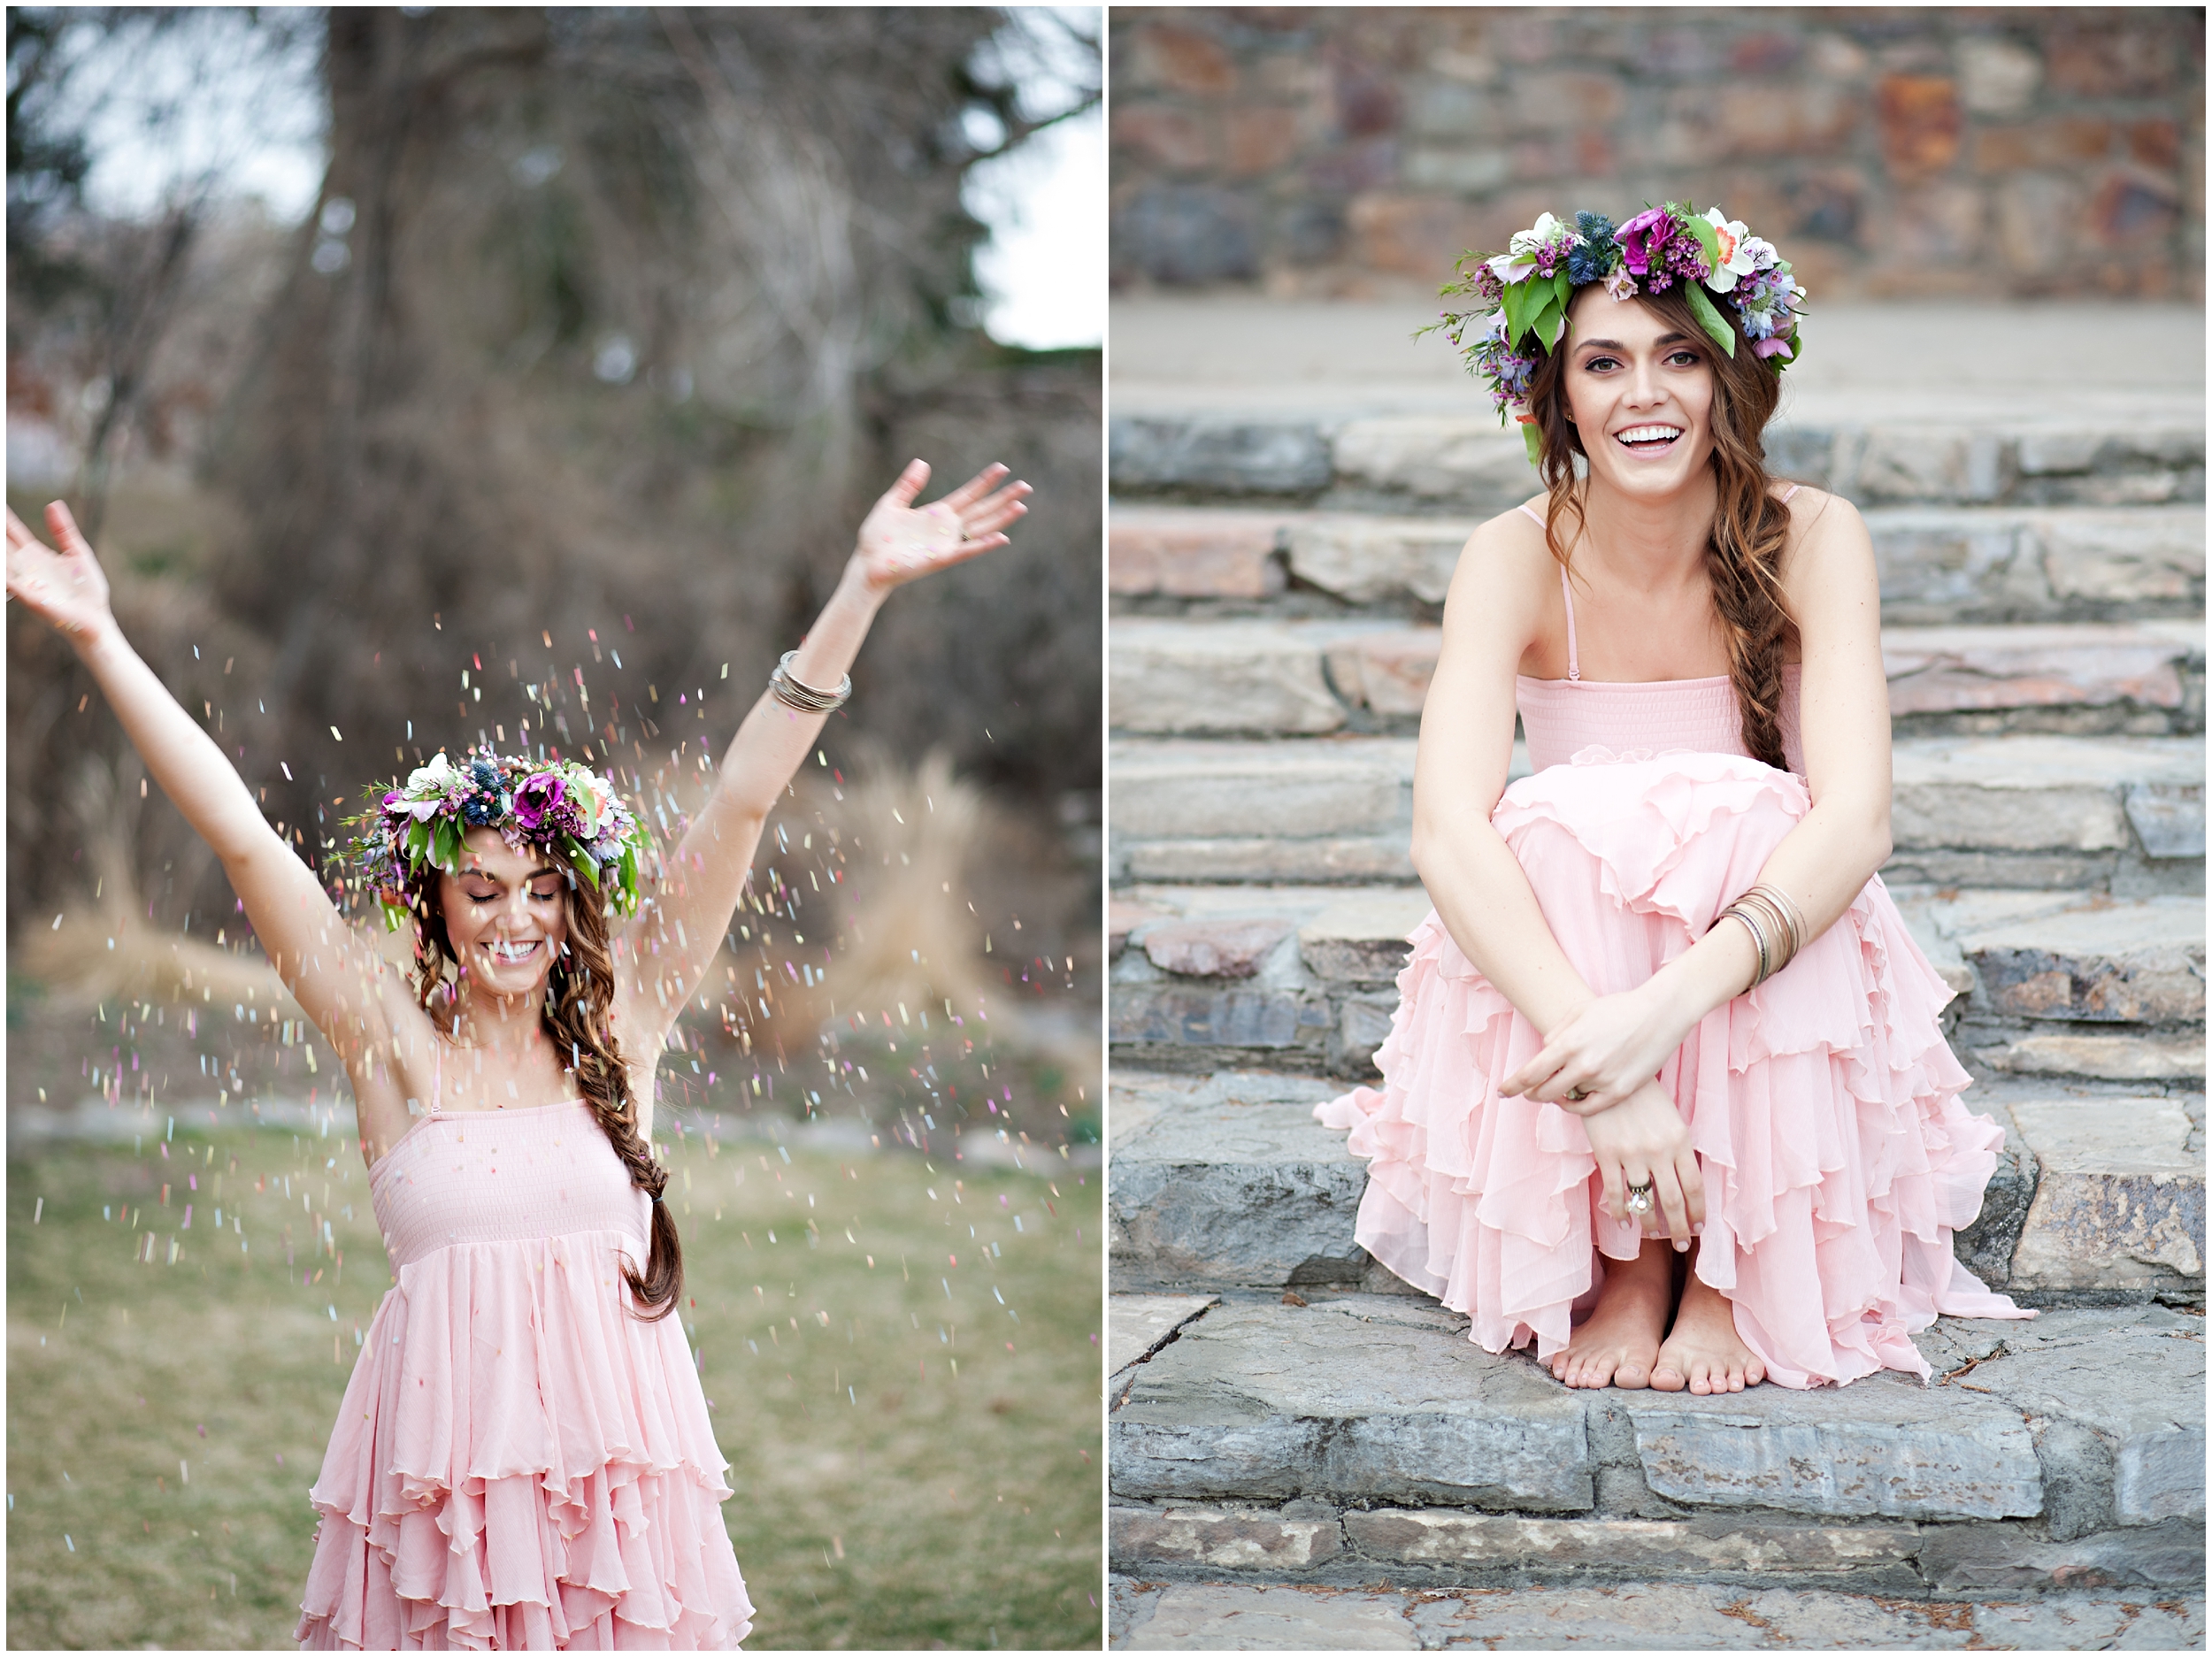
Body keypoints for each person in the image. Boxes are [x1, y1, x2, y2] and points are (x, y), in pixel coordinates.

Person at [5, 457, 1029, 1647]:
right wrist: (100, 639)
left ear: (575, 899)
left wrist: (860, 586)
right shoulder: (385, 1039)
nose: (514, 917)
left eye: (543, 888)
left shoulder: (626, 1016)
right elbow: (240, 837)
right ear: (435, 900)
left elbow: (744, 799)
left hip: (612, 1503)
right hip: (444, 1501)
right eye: (481, 888)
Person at [1315, 204, 2028, 1396]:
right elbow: (1444, 826)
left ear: (1729, 379)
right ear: (1556, 398)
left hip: (1749, 965)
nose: (1646, 394)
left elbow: (1856, 818)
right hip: (1577, 990)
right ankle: (1635, 1255)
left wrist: (1660, 1014)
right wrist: (1616, 1076)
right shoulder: (1511, 552)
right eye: (1604, 362)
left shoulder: (1811, 534)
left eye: (1680, 356)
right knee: (1545, 827)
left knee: (1759, 813)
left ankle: (1725, 1271)